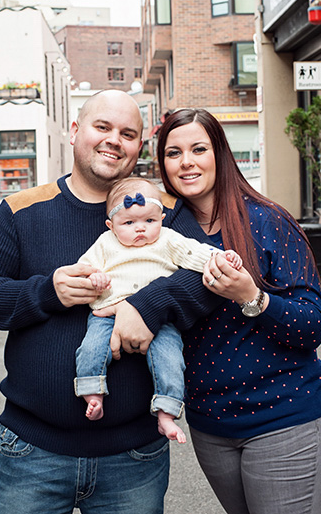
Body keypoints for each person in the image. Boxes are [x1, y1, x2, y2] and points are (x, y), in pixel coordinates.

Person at [0, 91, 222, 514]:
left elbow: (208, 278)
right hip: (31, 452)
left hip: (134, 457)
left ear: (139, 146)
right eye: (103, 127)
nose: (114, 140)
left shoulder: (164, 211)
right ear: (75, 131)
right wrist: (45, 292)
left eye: (128, 133)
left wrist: (146, 306)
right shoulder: (21, 210)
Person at [98, 107, 321, 514]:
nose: (186, 162)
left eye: (198, 149)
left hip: (284, 418)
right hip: (212, 426)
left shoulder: (267, 221)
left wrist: (252, 297)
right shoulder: (162, 232)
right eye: (173, 153)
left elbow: (311, 326)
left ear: (219, 153)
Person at [74, 176, 242, 443]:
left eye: (149, 221)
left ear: (162, 218)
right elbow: (84, 269)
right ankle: (92, 390)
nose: (140, 229)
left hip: (159, 318)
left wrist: (219, 257)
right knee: (91, 347)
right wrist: (95, 279)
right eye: (129, 223)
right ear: (111, 225)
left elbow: (193, 253)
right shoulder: (105, 243)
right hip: (107, 311)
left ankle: (166, 412)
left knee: (171, 359)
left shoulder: (167, 239)